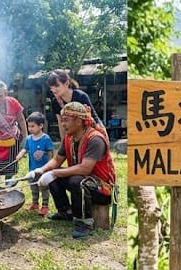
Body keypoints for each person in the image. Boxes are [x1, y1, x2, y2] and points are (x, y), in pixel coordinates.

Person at [26, 102, 116, 239]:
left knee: (77, 181)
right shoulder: (69, 138)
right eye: (62, 121)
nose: (62, 124)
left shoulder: (95, 139)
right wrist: (40, 170)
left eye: (66, 120)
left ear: (79, 121)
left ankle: (84, 223)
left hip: (102, 187)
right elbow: (56, 160)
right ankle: (65, 212)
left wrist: (54, 173)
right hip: (83, 178)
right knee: (55, 175)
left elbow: (85, 169)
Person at [15, 112, 53, 216]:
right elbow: (25, 149)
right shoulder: (28, 139)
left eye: (33, 126)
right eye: (29, 126)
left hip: (43, 169)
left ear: (41, 126)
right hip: (32, 169)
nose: (30, 128)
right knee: (33, 187)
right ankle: (35, 203)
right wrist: (20, 155)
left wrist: (50, 166)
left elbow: (50, 153)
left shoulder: (46, 138)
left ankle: (45, 206)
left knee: (43, 187)